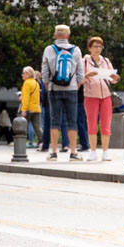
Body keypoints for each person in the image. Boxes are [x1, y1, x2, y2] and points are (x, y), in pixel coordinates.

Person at [40, 24, 83, 161]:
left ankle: (53, 152)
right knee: (72, 121)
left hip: (54, 88)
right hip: (71, 90)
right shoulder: (75, 50)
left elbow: (44, 72)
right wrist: (76, 86)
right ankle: (73, 152)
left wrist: (47, 86)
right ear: (68, 35)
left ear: (55, 35)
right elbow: (80, 73)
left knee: (54, 121)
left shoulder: (49, 49)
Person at [81, 36, 119, 161]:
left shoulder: (106, 61)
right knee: (91, 123)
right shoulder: (85, 61)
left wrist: (116, 78)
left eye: (100, 46)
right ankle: (92, 151)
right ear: (89, 48)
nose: (98, 49)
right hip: (91, 96)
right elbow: (79, 79)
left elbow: (112, 80)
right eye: (95, 46)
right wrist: (87, 75)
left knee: (106, 124)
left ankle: (105, 151)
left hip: (106, 96)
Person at [19, 66, 41, 148]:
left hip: (28, 109)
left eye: (23, 73)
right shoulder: (36, 83)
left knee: (23, 127)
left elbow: (26, 98)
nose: (22, 75)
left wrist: (24, 109)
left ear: (28, 74)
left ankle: (21, 142)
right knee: (37, 127)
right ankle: (42, 142)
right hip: (36, 108)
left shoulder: (27, 83)